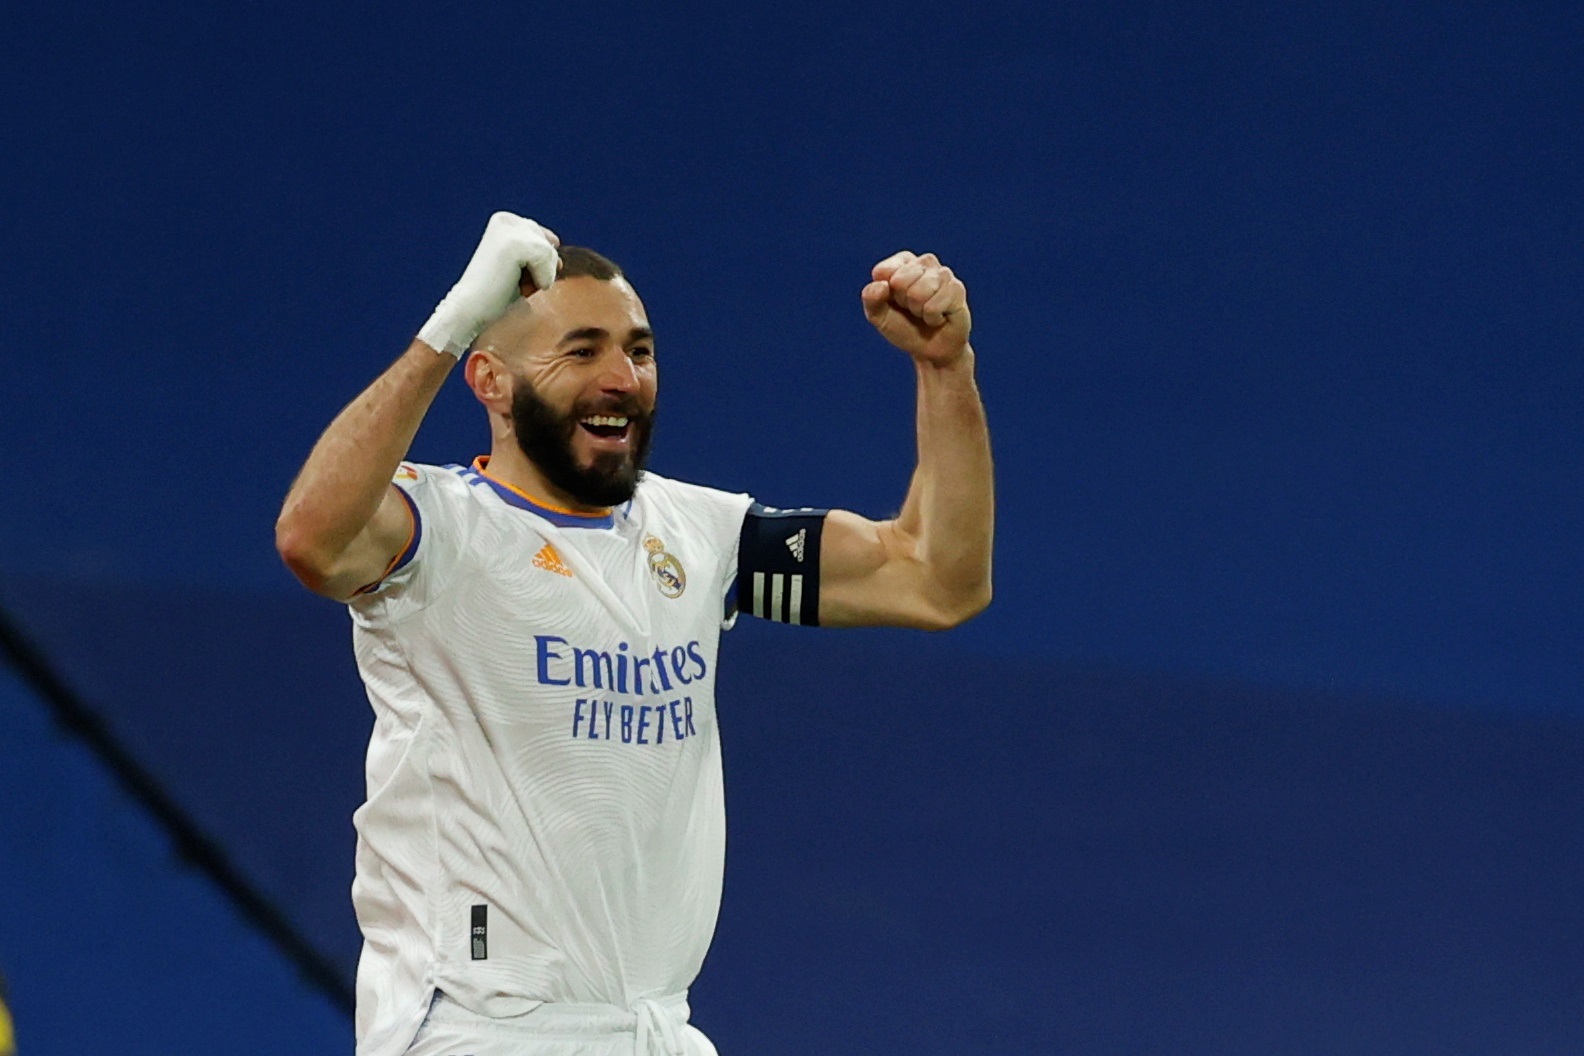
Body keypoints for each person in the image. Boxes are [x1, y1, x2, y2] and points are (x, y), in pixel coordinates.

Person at [275, 212, 994, 1056]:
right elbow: (313, 541)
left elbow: (936, 579)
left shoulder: (700, 536)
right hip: (478, 1027)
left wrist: (945, 367)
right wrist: (452, 323)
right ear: (491, 381)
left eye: (639, 351)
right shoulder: (434, 528)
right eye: (581, 352)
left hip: (654, 1029)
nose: (622, 378)